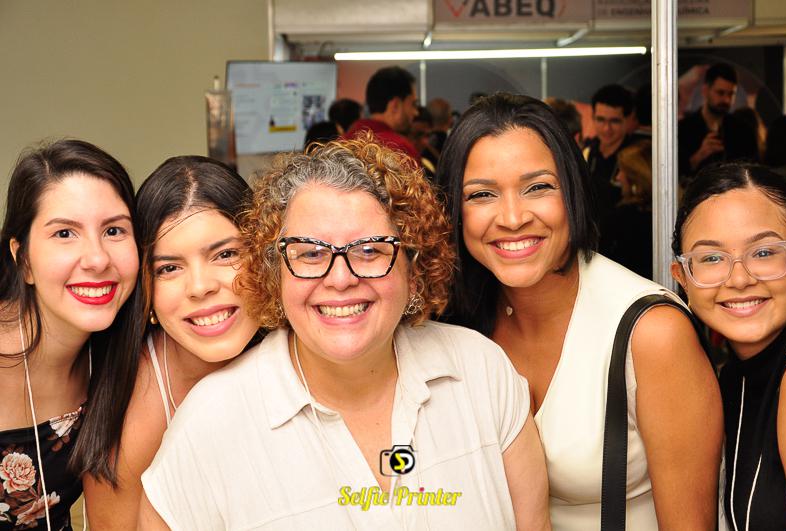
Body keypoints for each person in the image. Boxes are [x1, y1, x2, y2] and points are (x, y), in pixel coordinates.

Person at [138, 135, 551, 530]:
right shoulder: (209, 425)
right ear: (273, 273)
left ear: (413, 269)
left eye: (369, 250)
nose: (340, 279)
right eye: (310, 253)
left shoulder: (481, 374)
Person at [436, 93, 723, 529]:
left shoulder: (650, 332)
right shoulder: (452, 321)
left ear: (573, 188)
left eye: (538, 187)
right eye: (482, 194)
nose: (512, 217)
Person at [79, 156, 261, 529]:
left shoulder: (306, 345)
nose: (200, 287)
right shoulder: (137, 416)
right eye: (169, 268)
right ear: (146, 293)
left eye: (226, 254)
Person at [0, 139, 140, 529]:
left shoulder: (123, 352)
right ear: (23, 260)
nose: (97, 258)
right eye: (65, 233)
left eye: (114, 230)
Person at [671, 163, 786, 530]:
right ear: (682, 278)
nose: (740, 279)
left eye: (764, 252)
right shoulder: (724, 382)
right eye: (712, 258)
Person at [599, 140, 653, 279]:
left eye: (622, 171)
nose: (618, 177)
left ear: (635, 177)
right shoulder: (669, 210)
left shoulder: (623, 217)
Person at [345, 66, 420, 163]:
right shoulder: (400, 149)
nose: (416, 112)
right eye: (413, 104)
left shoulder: (343, 142)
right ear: (395, 105)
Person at [678, 63, 738, 179]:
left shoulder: (742, 130)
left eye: (731, 94)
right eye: (720, 93)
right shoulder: (683, 130)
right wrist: (700, 155)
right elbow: (676, 174)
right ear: (705, 90)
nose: (726, 100)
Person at [584, 84, 634, 221]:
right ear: (592, 117)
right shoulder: (585, 153)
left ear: (628, 120)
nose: (607, 129)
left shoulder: (635, 159)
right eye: (600, 120)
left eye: (614, 121)